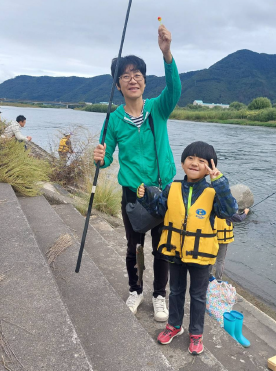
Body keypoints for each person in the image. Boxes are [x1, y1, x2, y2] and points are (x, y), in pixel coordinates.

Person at [93, 24, 181, 322]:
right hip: (133, 194)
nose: (132, 80)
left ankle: (159, 296)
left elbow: (175, 89)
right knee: (134, 245)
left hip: (164, 192)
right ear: (118, 85)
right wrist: (100, 158)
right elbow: (105, 160)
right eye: (126, 76)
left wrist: (166, 53)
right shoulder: (114, 119)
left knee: (163, 248)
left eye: (137, 75)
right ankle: (135, 289)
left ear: (144, 81)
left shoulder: (159, 108)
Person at [137, 141, 238, 355]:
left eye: (202, 161)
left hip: (201, 257)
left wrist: (219, 181)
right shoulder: (172, 187)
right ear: (183, 163)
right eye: (190, 158)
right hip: (175, 252)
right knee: (175, 292)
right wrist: (145, 197)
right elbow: (158, 210)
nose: (195, 163)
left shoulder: (213, 192)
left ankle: (196, 334)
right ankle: (174, 326)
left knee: (198, 296)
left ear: (210, 167)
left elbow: (229, 210)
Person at [210, 209, 250, 281]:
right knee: (220, 261)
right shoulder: (227, 213)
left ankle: (209, 275)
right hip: (223, 241)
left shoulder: (212, 211)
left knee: (210, 258)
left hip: (212, 238)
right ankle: (218, 279)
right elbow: (240, 218)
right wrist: (245, 212)